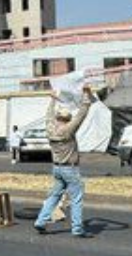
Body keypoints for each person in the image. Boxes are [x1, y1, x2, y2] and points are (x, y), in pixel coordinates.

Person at [34, 86, 94, 238]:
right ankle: (77, 229)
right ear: (67, 119)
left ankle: (40, 221)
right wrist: (87, 94)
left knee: (54, 196)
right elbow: (82, 113)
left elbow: (48, 116)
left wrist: (53, 99)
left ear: (57, 118)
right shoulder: (68, 130)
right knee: (76, 198)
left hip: (57, 168)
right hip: (70, 169)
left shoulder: (50, 129)